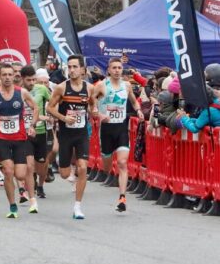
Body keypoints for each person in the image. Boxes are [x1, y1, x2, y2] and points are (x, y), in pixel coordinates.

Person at [92, 57, 144, 212]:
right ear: (108, 70)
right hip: (106, 129)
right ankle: (110, 170)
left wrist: (139, 110)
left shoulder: (127, 85)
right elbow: (91, 105)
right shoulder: (101, 86)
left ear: (122, 70)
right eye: (113, 68)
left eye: (119, 68)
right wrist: (100, 115)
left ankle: (122, 197)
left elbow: (134, 102)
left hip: (121, 128)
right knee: (107, 165)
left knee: (122, 163)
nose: (116, 71)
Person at [47, 54, 96, 219]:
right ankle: (68, 168)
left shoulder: (89, 88)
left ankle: (77, 207)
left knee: (83, 167)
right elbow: (50, 108)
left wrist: (94, 112)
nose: (72, 70)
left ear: (82, 69)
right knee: (64, 174)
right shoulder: (61, 88)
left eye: (75, 67)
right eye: (70, 67)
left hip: (81, 133)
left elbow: (92, 105)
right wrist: (63, 118)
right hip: (66, 134)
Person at [0, 64, 39, 218]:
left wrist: (32, 125)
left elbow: (35, 108)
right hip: (1, 138)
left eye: (10, 74)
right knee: (8, 171)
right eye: (4, 74)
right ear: (0, 75)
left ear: (14, 76)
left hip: (19, 138)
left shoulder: (21, 92)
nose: (7, 77)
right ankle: (12, 205)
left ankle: (25, 195)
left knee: (21, 175)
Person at [20, 66, 52, 199]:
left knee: (42, 165)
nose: (32, 83)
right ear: (23, 79)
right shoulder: (18, 92)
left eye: (34, 80)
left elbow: (52, 104)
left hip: (41, 131)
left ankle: (40, 184)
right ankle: (29, 188)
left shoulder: (42, 89)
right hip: (25, 133)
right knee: (29, 164)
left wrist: (49, 115)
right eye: (29, 80)